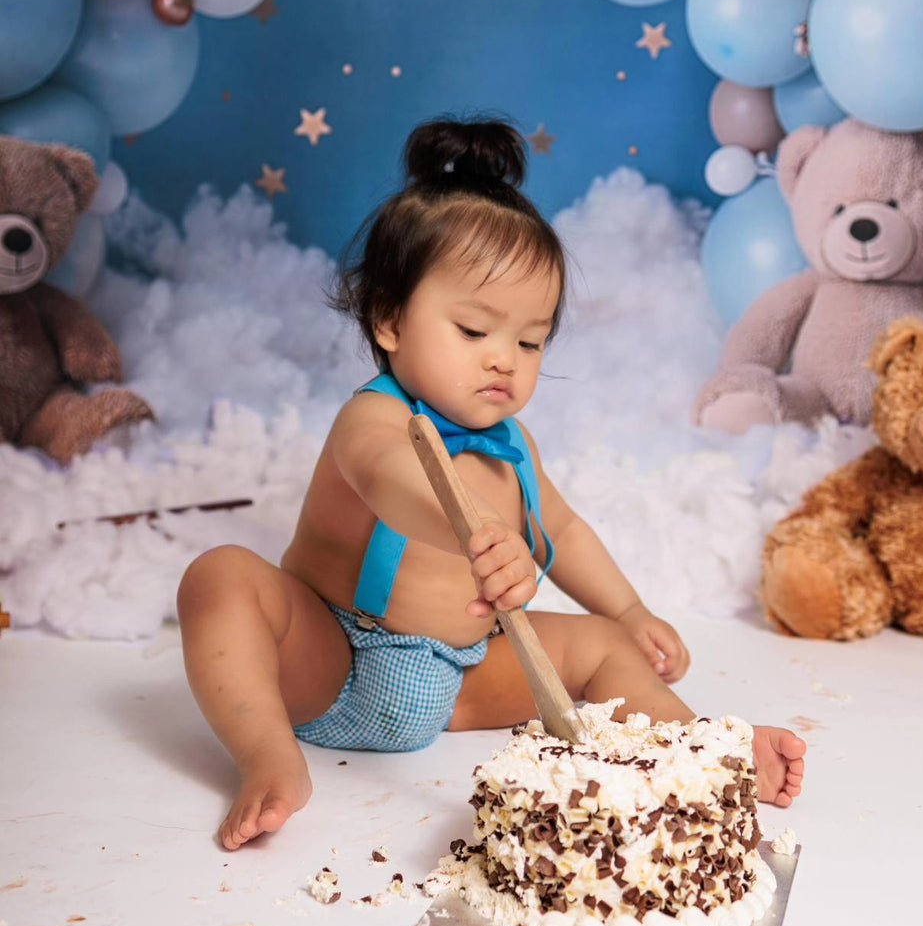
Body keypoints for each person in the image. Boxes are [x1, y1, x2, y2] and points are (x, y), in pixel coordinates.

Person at [177, 118, 806, 852]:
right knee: (219, 578)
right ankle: (266, 756)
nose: (504, 359)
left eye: (530, 341)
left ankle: (701, 754)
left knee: (601, 646)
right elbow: (394, 482)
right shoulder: (373, 419)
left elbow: (560, 532)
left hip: (461, 680)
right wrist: (474, 531)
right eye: (474, 332)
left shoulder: (513, 445)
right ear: (389, 320)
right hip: (336, 659)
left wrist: (628, 609)